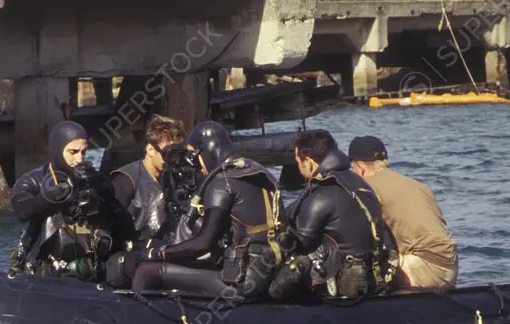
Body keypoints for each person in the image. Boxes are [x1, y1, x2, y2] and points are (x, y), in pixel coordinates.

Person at [124, 121, 283, 298]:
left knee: (147, 271)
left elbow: (203, 244)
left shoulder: (222, 182)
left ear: (206, 150)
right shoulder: (260, 172)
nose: (196, 165)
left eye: (194, 154)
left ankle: (142, 319)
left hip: (242, 283)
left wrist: (160, 253)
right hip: (267, 272)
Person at [269, 129, 397, 300]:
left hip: (342, 284)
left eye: (297, 161)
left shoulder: (322, 193)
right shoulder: (359, 182)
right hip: (373, 277)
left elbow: (298, 243)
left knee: (279, 280)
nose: (298, 167)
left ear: (308, 162)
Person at [8, 120, 115, 280]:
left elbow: (115, 204)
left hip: (87, 267)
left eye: (83, 152)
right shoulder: (31, 181)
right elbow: (22, 211)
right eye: (73, 152)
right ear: (58, 151)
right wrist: (51, 196)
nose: (80, 159)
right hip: (45, 268)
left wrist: (98, 186)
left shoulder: (90, 177)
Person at [347, 135, 458, 289]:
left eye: (352, 168)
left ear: (360, 167)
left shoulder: (367, 188)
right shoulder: (417, 185)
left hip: (423, 269)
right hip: (451, 267)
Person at [106, 115, 186, 248]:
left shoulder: (176, 178)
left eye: (178, 154)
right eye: (168, 154)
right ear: (150, 150)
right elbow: (110, 228)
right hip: (134, 254)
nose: (174, 160)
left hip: (166, 251)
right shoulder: (126, 180)